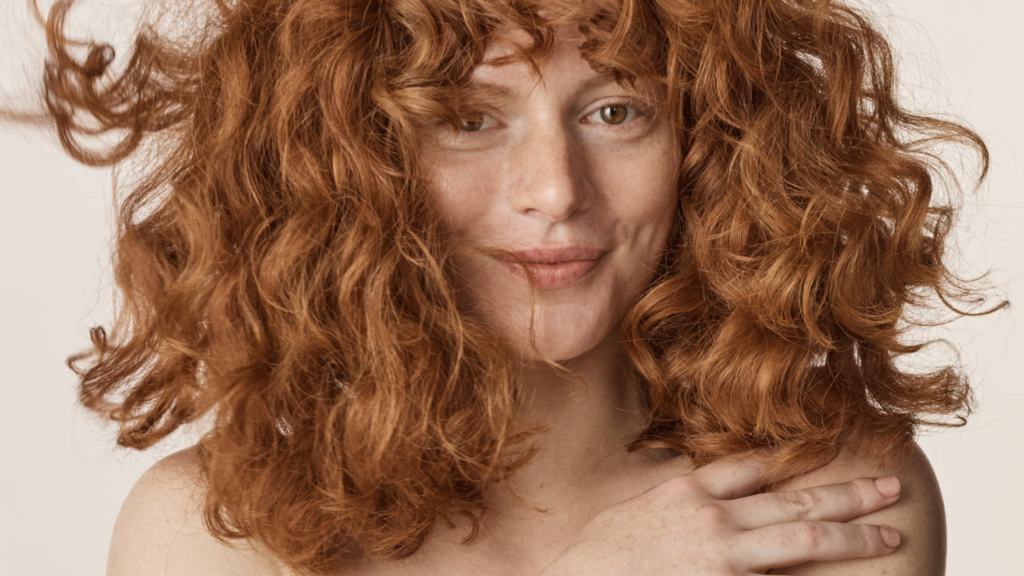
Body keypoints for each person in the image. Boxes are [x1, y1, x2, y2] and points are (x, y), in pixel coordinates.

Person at [18, 0, 1003, 574]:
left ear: (710, 142)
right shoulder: (213, 535)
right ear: (351, 161)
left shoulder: (827, 502)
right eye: (468, 119)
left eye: (616, 110)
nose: (553, 192)